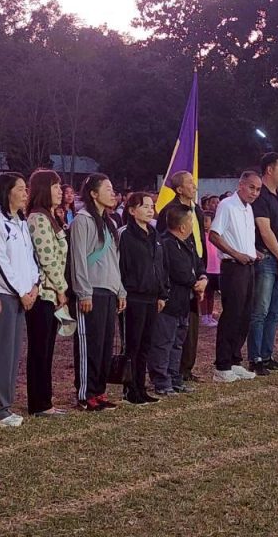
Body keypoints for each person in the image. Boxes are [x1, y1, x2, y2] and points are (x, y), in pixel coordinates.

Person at [0, 172, 39, 428]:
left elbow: (30, 258)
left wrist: (34, 285)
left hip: (23, 295)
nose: (26, 193)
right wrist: (20, 291)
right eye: (20, 189)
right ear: (7, 192)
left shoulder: (21, 222)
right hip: (5, 294)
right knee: (2, 352)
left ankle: (5, 405)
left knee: (14, 352)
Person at [70, 173, 127, 411]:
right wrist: (84, 292)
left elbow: (115, 260)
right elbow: (78, 259)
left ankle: (100, 390)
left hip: (109, 291)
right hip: (91, 291)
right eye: (107, 188)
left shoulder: (110, 223)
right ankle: (86, 393)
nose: (112, 193)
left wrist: (120, 290)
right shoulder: (82, 221)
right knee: (89, 345)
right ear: (93, 194)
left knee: (104, 345)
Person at [209, 171, 262, 382]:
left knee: (245, 314)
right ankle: (222, 365)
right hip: (233, 267)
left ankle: (234, 359)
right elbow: (214, 235)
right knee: (232, 314)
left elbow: (240, 237)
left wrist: (252, 251)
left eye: (258, 189)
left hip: (248, 266)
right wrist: (236, 254)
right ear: (240, 185)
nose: (254, 193)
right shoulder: (227, 205)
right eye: (251, 187)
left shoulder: (248, 208)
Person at [150, 204, 207, 395]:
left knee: (177, 342)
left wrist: (203, 278)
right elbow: (178, 271)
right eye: (190, 221)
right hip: (170, 302)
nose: (193, 224)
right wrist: (196, 283)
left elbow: (198, 264)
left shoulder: (187, 242)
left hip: (184, 302)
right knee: (164, 342)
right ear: (182, 226)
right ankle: (161, 380)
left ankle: (175, 377)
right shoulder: (166, 243)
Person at [26, 169, 70, 417]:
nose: (60, 191)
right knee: (39, 350)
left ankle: (45, 400)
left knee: (47, 350)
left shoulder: (51, 217)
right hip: (44, 294)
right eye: (54, 186)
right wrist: (62, 289)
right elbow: (47, 259)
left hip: (52, 294)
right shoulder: (38, 218)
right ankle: (39, 402)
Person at [249, 153, 278, 374]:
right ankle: (256, 357)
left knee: (276, 311)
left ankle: (267, 355)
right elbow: (265, 231)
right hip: (268, 259)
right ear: (269, 169)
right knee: (261, 310)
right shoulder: (261, 197)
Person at [118, 191, 166, 405]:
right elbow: (120, 266)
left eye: (151, 206)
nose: (150, 210)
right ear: (131, 210)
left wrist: (162, 293)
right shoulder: (125, 235)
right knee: (132, 345)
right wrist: (122, 292)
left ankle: (141, 387)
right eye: (144, 206)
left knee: (146, 344)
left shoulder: (154, 234)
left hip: (151, 297)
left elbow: (160, 266)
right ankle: (130, 389)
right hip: (133, 297)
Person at [200, 211, 220, 327]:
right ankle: (204, 316)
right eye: (203, 221)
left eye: (207, 221)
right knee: (205, 294)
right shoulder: (201, 236)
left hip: (215, 269)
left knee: (211, 294)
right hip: (206, 269)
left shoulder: (216, 236)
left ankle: (210, 315)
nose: (205, 223)